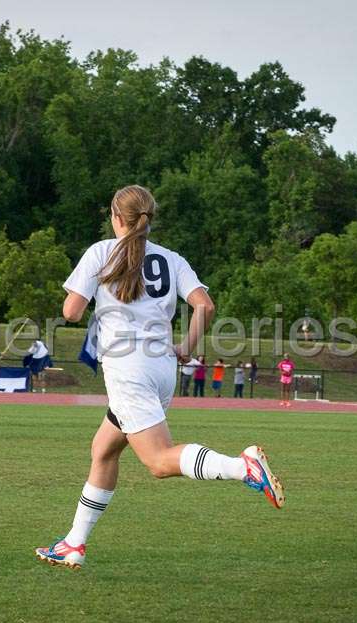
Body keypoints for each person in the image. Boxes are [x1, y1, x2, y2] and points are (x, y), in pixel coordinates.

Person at [35, 184, 284, 570]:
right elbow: (204, 305)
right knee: (103, 449)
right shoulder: (171, 259)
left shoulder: (102, 252)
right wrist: (186, 346)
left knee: (157, 461)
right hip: (162, 367)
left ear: (116, 218)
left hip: (127, 369)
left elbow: (70, 311)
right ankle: (73, 543)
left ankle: (243, 466)